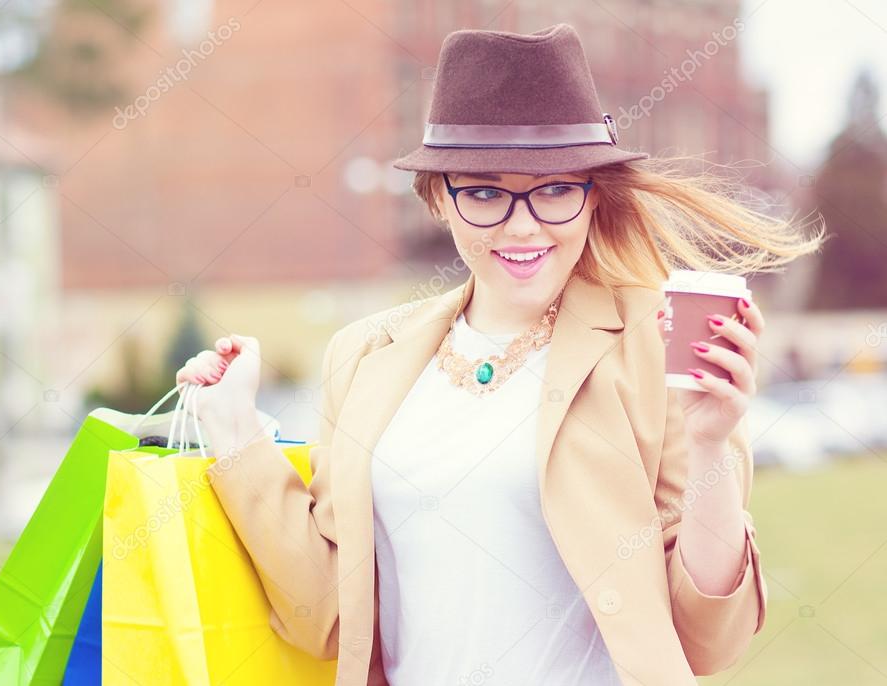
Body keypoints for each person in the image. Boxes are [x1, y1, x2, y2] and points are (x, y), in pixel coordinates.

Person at [175, 24, 824, 686]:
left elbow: (706, 642)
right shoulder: (364, 355)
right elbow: (332, 618)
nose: (522, 226)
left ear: (590, 196)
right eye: (484, 192)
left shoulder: (651, 345)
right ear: (439, 199)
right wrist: (233, 430)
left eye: (554, 189)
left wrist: (713, 445)